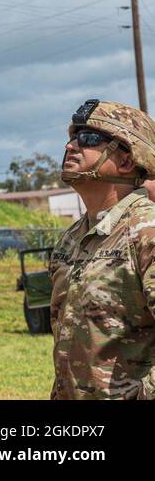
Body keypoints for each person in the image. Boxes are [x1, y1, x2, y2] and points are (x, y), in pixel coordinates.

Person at [49, 99, 155, 399]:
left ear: (126, 161)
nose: (71, 146)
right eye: (72, 137)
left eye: (89, 138)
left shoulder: (146, 232)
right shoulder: (70, 240)